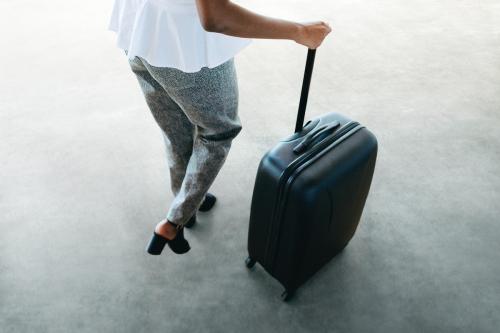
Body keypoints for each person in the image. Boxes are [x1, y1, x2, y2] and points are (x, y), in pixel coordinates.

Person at [108, 0, 331, 255]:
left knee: (175, 128)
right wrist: (298, 31)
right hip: (186, 46)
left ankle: (188, 203)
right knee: (216, 133)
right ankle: (174, 221)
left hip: (138, 29)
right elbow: (215, 16)